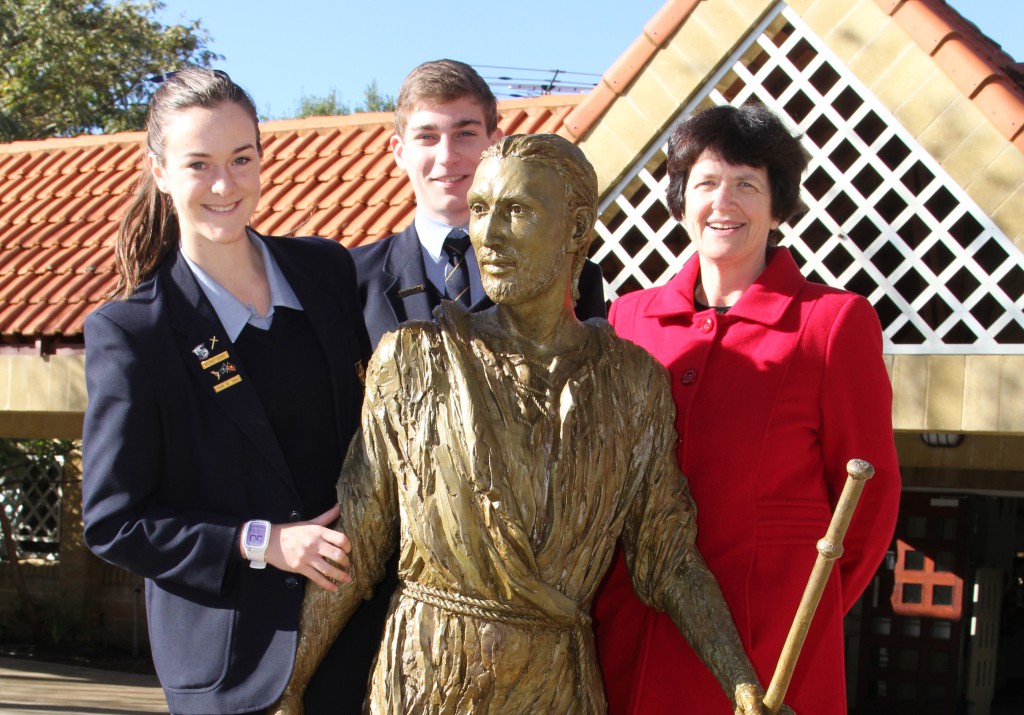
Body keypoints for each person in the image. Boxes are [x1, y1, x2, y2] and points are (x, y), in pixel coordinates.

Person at [269, 134, 792, 715]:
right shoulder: (417, 360)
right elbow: (359, 546)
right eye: (481, 209)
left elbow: (667, 556)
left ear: (575, 229)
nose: (487, 237)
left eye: (517, 212)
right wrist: (289, 691)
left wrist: (741, 683)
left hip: (555, 684)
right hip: (427, 676)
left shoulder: (631, 383)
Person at [80, 68, 384, 715]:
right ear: (159, 170)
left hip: (363, 645)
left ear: (261, 159)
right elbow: (114, 519)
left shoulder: (327, 272)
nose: (225, 185)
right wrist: (262, 541)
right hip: (237, 673)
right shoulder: (134, 331)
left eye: (241, 159)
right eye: (199, 164)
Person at [593, 103, 901, 714]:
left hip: (764, 654)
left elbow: (868, 500)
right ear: (682, 202)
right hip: (631, 635)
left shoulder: (832, 324)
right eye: (706, 183)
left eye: (746, 185)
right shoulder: (627, 318)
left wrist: (804, 618)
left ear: (777, 204)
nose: (724, 202)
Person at [352, 58, 606, 349]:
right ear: (400, 151)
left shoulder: (569, 274)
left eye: (465, 134)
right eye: (427, 137)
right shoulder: (355, 280)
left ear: (495, 143)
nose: (447, 156)